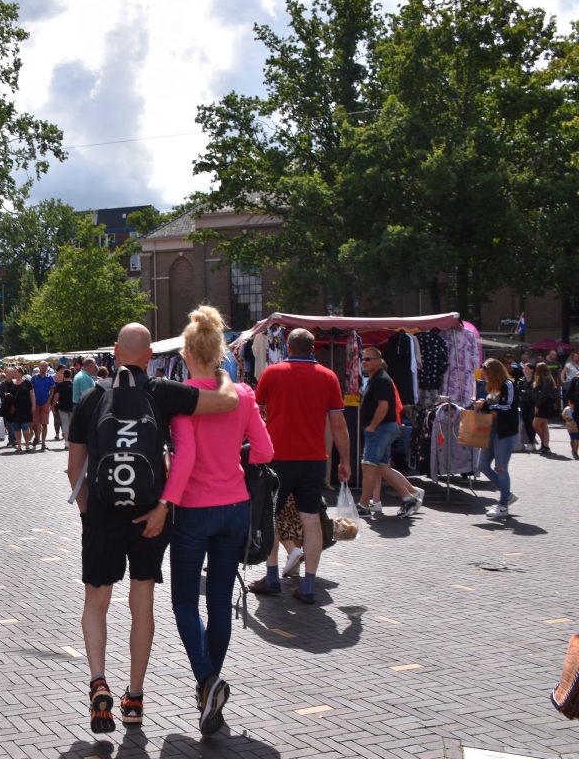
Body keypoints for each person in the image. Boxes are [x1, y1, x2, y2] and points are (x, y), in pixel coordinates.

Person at [67, 322, 239, 734]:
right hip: (151, 515)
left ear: (114, 351)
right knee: (141, 601)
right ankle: (135, 697)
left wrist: (91, 515)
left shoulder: (92, 398)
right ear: (149, 357)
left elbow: (75, 469)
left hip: (104, 516)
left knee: (96, 602)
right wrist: (224, 372)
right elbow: (226, 403)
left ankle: (97, 683)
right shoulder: (162, 392)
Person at [149, 306, 273, 736]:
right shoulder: (242, 395)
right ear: (220, 351)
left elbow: (183, 460)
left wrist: (167, 501)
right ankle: (210, 691)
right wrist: (234, 461)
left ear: (186, 352)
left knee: (184, 601)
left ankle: (207, 680)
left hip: (194, 509)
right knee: (219, 600)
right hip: (236, 508)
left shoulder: (185, 398)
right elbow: (264, 452)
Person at [248, 328, 351, 605]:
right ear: (313, 348)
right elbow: (338, 424)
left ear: (287, 347)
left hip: (278, 457)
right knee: (311, 519)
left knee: (269, 516)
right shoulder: (328, 377)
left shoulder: (273, 373)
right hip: (314, 459)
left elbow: (255, 415)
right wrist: (345, 460)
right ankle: (308, 584)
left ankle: (271, 577)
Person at [356, 347, 423, 519]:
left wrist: (372, 426)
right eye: (363, 359)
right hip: (382, 428)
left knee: (369, 465)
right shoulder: (375, 379)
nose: (364, 362)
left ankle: (364, 505)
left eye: (368, 359)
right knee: (381, 466)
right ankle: (410, 496)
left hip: (381, 428)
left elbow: (384, 406)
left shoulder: (382, 380)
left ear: (378, 360)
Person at [474, 358, 519, 519]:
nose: (484, 376)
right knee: (482, 465)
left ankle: (503, 505)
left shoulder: (508, 385)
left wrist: (485, 405)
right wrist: (482, 404)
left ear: (494, 372)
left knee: (500, 467)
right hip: (492, 430)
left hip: (504, 432)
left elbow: (508, 406)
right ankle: (506, 494)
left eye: (486, 373)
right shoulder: (493, 387)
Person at [531, 362, 558, 454]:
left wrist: (537, 405)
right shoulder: (548, 378)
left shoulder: (544, 379)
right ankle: (545, 446)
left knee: (535, 424)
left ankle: (544, 443)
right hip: (547, 403)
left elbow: (543, 394)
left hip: (543, 404)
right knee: (544, 425)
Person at [6, 367, 34, 453]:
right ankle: (18, 446)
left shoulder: (27, 383)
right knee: (16, 428)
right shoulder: (11, 383)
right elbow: (8, 395)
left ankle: (27, 445)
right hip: (14, 410)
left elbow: (32, 395)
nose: (14, 373)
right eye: (13, 372)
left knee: (25, 427)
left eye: (15, 372)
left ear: (21, 373)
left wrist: (34, 406)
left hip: (25, 409)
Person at [30, 361, 55, 450]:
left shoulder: (50, 378)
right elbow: (31, 391)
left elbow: (52, 390)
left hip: (45, 403)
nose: (44, 367)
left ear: (47, 367)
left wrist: (49, 401)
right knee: (34, 423)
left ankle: (43, 443)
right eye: (42, 366)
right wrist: (32, 402)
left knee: (44, 424)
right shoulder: (34, 378)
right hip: (35, 403)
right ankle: (37, 436)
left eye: (45, 366)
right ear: (39, 367)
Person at [54, 368, 75, 446]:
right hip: (72, 406)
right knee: (71, 424)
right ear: (71, 375)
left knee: (64, 423)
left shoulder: (60, 385)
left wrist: (53, 405)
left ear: (64, 375)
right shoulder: (74, 384)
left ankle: (66, 442)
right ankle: (71, 440)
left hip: (62, 406)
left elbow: (56, 396)